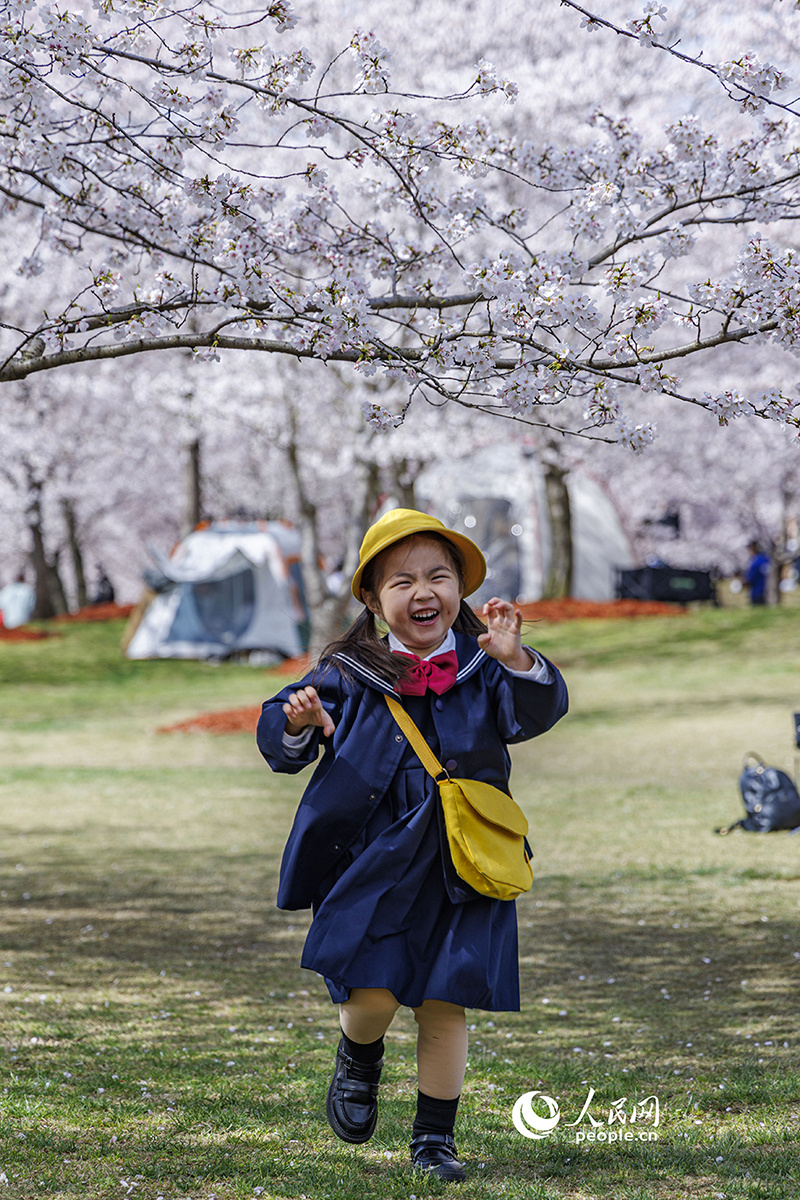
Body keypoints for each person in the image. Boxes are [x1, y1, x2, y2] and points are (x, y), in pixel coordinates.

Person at [257, 509, 568, 1182]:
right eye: (402, 581)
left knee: (444, 997)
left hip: (465, 858)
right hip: (372, 857)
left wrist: (516, 660)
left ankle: (434, 1140)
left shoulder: (482, 668)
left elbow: (536, 713)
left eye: (438, 576)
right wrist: (303, 723)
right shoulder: (347, 670)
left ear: (459, 589)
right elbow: (277, 734)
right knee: (370, 995)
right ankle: (358, 1056)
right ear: (372, 599)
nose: (423, 591)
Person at [744, 541, 771, 606]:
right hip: (765, 590)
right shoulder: (765, 558)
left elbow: (750, 578)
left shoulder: (756, 561)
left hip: (758, 591)